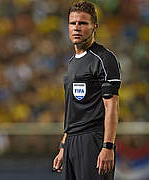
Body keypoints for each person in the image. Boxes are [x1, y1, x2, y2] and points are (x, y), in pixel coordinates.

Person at [52, 1, 121, 180]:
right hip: (71, 142)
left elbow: (111, 106)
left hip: (93, 141)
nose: (76, 28)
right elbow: (73, 110)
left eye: (82, 23)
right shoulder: (72, 62)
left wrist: (107, 146)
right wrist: (63, 146)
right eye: (73, 23)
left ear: (94, 26)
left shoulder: (104, 59)